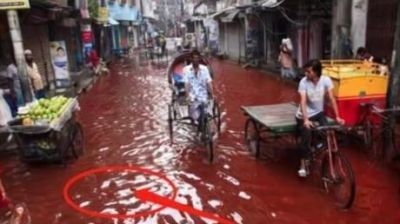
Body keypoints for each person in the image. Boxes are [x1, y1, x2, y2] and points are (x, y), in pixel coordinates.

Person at [296, 59, 345, 177]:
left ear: (316, 72)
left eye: (309, 72)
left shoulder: (326, 80)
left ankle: (317, 147)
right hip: (304, 114)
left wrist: (338, 117)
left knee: (328, 131)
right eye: (306, 72)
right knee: (306, 134)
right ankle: (303, 163)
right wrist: (306, 120)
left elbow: (332, 99)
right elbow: (302, 101)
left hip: (319, 113)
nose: (306, 74)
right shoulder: (303, 82)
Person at [182, 50, 214, 130]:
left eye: (197, 58)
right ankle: (200, 123)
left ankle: (204, 125)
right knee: (196, 116)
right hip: (193, 97)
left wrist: (212, 94)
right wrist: (187, 95)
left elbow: (209, 82)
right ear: (191, 59)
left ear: (199, 59)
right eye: (194, 58)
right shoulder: (186, 69)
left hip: (203, 96)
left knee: (207, 113)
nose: (195, 60)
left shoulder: (205, 69)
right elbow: (186, 84)